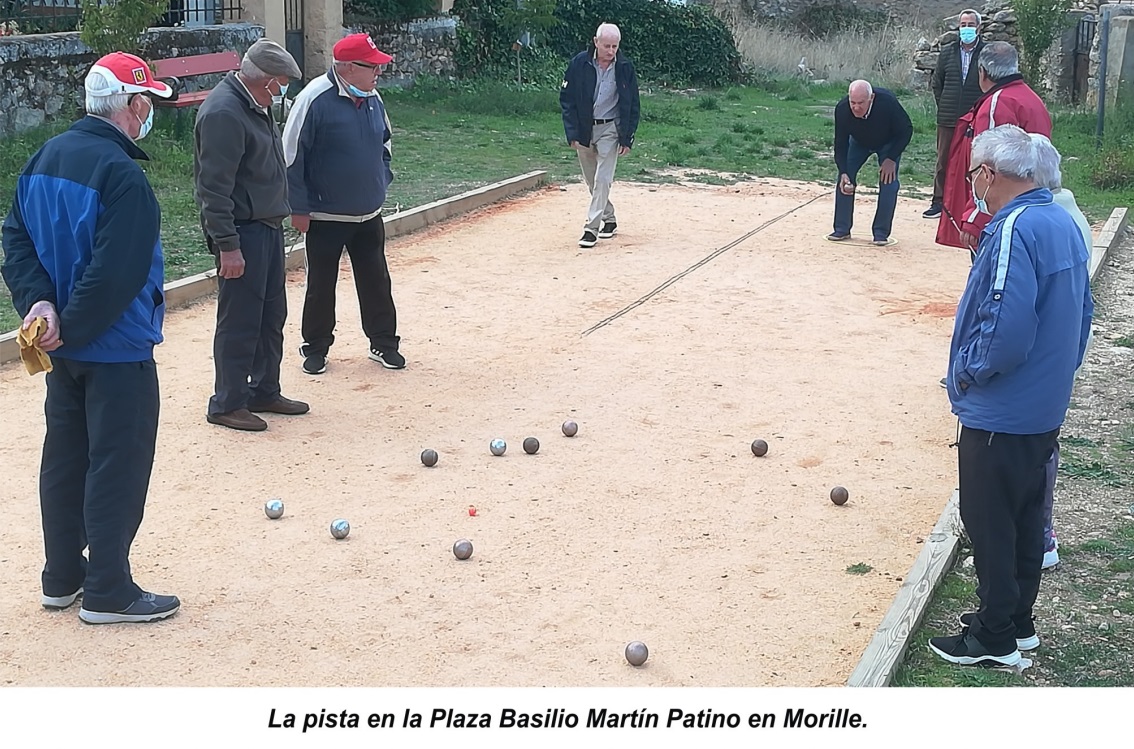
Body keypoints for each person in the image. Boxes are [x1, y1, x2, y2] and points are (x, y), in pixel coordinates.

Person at [1, 52, 181, 624]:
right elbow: (118, 271)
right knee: (117, 462)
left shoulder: (43, 157)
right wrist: (72, 325)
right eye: (146, 100)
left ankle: (62, 576)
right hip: (115, 345)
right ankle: (108, 588)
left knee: (65, 457)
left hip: (63, 347)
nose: (148, 110)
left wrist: (41, 307)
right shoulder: (122, 173)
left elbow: (16, 240)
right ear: (132, 105)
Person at [931, 125, 1093, 668]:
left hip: (1003, 406)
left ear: (990, 174)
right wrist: (1061, 373)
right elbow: (1083, 313)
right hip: (1044, 402)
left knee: (988, 521)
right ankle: (1019, 622)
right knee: (1025, 517)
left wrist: (971, 373)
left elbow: (1005, 322)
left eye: (976, 172)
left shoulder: (1014, 226)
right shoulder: (1064, 221)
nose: (975, 181)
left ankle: (993, 634)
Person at [194, 38, 309, 431]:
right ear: (266, 81)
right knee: (240, 319)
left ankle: (264, 389)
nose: (283, 90)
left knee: (270, 314)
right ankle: (227, 401)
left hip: (267, 227)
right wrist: (227, 245)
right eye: (281, 82)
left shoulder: (254, 105)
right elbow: (213, 187)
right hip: (243, 232)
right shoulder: (225, 112)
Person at [283, 32, 404, 376]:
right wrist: (299, 207)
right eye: (373, 66)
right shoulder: (313, 99)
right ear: (348, 68)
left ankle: (384, 342)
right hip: (324, 215)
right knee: (321, 284)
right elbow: (291, 156)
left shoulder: (373, 98)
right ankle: (316, 348)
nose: (378, 72)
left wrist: (381, 182)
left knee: (377, 280)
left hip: (369, 212)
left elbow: (385, 144)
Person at [1029, 132, 1095, 572]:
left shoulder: (1052, 223)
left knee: (1036, 452)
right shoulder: (1066, 214)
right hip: (1057, 356)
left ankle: (1041, 537)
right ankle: (1038, 535)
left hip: (1041, 361)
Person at [936, 41, 1052, 253]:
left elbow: (987, 166)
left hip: (1000, 212)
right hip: (1031, 202)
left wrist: (975, 218)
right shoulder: (1031, 99)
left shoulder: (997, 104)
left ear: (982, 72)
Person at [560, 22, 641, 249]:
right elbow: (566, 100)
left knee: (603, 179)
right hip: (585, 128)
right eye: (607, 45)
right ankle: (609, 217)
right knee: (591, 179)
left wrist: (628, 137)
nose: (611, 51)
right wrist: (572, 132)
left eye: (615, 46)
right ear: (596, 42)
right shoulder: (579, 64)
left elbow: (633, 104)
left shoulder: (625, 67)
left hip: (610, 129)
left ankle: (591, 228)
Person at [827, 79, 913, 245]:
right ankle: (841, 229)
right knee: (844, 180)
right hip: (859, 142)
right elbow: (840, 143)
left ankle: (881, 232)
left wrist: (891, 158)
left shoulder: (887, 103)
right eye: (853, 102)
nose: (856, 108)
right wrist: (843, 171)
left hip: (889, 142)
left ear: (871, 98)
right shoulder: (842, 109)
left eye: (861, 103)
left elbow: (906, 130)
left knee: (889, 182)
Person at [926, 8, 985, 219]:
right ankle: (938, 202)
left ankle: (970, 202)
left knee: (974, 161)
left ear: (978, 27)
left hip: (976, 118)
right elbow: (937, 83)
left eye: (970, 25)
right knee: (943, 161)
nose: (966, 29)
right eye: (963, 25)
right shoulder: (948, 52)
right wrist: (944, 105)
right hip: (949, 117)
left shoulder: (985, 52)